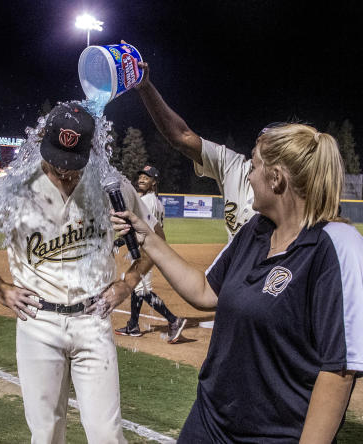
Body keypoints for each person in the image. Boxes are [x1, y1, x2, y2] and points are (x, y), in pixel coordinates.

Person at [111, 123, 363, 443]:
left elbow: (338, 371)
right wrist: (146, 236)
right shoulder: (256, 229)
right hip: (210, 420)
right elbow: (204, 291)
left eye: (254, 166)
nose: (248, 176)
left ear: (276, 178)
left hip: (274, 435)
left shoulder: (337, 245)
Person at [0, 103, 161, 443]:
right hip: (38, 321)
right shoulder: (15, 185)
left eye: (73, 164)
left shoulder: (112, 185)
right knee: (47, 433)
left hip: (93, 319)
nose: (65, 172)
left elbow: (155, 240)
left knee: (107, 435)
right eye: (57, 161)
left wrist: (127, 283)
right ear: (43, 144)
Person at [134, 60, 256, 242]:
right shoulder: (236, 166)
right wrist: (145, 87)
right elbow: (182, 137)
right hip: (235, 268)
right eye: (258, 143)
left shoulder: (294, 190)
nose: (257, 149)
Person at [115, 165, 186, 343]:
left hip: (145, 251)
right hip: (151, 249)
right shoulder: (158, 202)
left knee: (141, 289)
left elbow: (142, 229)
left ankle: (173, 320)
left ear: (154, 182)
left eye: (146, 177)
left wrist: (120, 241)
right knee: (138, 286)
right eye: (140, 176)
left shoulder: (146, 201)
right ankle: (133, 325)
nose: (141, 179)